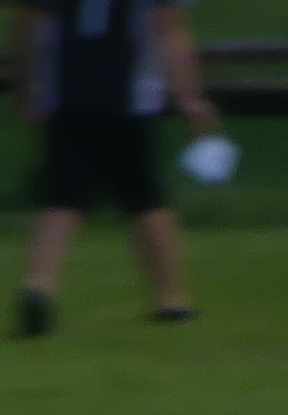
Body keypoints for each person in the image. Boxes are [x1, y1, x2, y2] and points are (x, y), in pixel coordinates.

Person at [11, 0, 223, 339]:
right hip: (131, 100)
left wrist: (27, 86)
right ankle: (171, 299)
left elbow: (27, 27)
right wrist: (189, 97)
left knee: (62, 199)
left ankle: (39, 285)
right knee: (147, 199)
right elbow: (170, 28)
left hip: (67, 98)